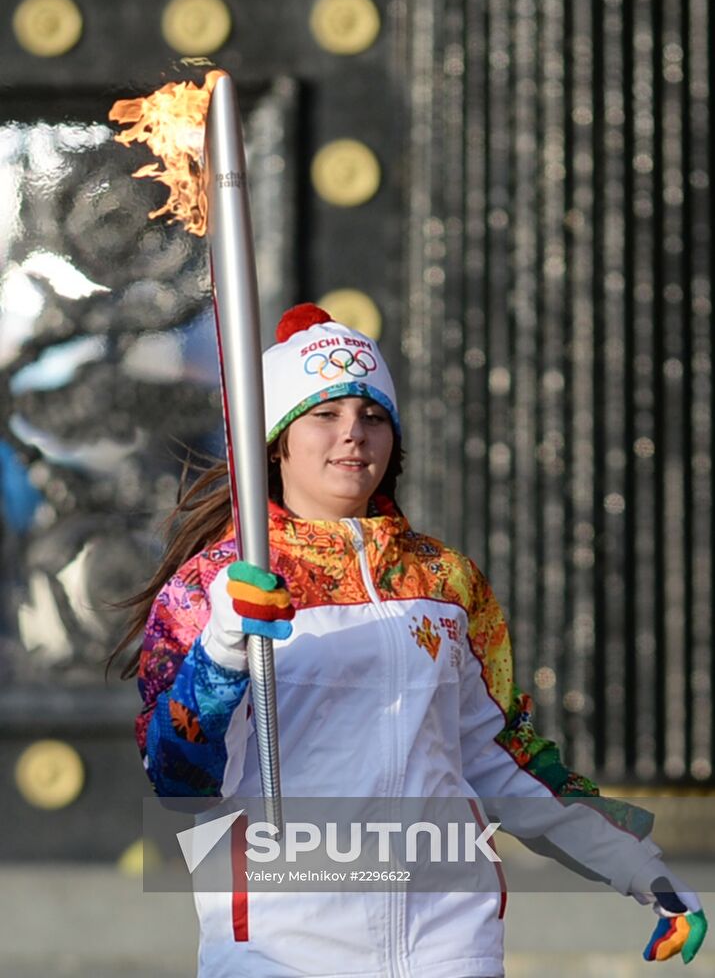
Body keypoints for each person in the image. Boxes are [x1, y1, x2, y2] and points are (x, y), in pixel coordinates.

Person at [112, 303, 707, 977]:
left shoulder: (444, 580)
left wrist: (641, 872)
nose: (353, 435)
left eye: (372, 415)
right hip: (281, 944)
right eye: (324, 415)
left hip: (446, 941)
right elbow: (181, 779)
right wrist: (223, 648)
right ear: (276, 439)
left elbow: (504, 759)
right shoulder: (213, 586)